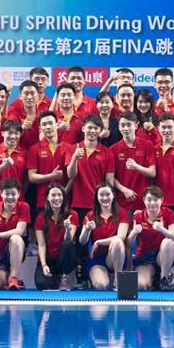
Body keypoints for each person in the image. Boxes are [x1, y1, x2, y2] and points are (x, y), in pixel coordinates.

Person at [66, 115, 115, 288]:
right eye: (90, 127)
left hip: (100, 206)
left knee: (100, 242)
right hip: (79, 204)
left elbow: (109, 181)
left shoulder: (107, 153)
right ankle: (81, 279)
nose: (92, 131)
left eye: (96, 128)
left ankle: (102, 275)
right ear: (83, 129)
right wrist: (74, 158)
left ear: (100, 131)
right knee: (81, 244)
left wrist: (108, 204)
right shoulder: (73, 149)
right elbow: (70, 175)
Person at [126, 186, 174, 291]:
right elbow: (129, 244)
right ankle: (154, 278)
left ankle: (164, 278)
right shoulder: (137, 217)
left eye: (156, 199)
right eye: (149, 200)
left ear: (161, 200)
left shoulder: (169, 213)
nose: (152, 203)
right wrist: (134, 233)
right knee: (141, 285)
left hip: (163, 255)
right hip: (145, 257)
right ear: (144, 200)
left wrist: (163, 230)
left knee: (168, 242)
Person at [80, 182, 129, 291]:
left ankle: (117, 280)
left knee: (117, 241)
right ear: (97, 197)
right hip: (97, 258)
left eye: (108, 194)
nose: (105, 198)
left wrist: (98, 242)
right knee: (101, 286)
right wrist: (87, 229)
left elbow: (121, 236)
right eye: (101, 195)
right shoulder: (90, 215)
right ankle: (94, 278)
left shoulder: (122, 213)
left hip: (115, 255)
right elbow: (82, 241)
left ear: (113, 195)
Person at [34, 183, 78, 291]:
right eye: (53, 195)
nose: (57, 198)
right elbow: (41, 244)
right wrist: (44, 265)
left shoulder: (72, 215)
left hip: (63, 259)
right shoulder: (40, 218)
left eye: (59, 195)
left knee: (68, 245)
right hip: (49, 259)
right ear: (47, 197)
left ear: (63, 197)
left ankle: (65, 277)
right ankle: (55, 279)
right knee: (41, 284)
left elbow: (68, 240)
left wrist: (68, 229)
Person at [111, 111, 156, 212]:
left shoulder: (147, 145)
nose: (126, 128)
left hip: (145, 202)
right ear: (119, 127)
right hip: (123, 202)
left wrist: (136, 166)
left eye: (129, 125)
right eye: (123, 125)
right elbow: (110, 177)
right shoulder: (113, 149)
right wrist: (124, 190)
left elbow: (152, 173)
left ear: (136, 126)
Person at [27, 111, 72, 208]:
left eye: (50, 123)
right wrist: (51, 176)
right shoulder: (34, 149)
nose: (48, 127)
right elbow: (31, 177)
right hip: (43, 202)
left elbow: (73, 176)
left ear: (57, 124)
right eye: (44, 124)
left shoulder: (68, 148)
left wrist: (64, 193)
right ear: (40, 128)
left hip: (65, 202)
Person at [0, 119, 27, 204]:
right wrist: (2, 167)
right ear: (2, 133)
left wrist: (18, 193)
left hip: (18, 201)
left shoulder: (25, 153)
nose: (13, 136)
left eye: (16, 133)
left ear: (20, 134)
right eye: (9, 133)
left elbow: (26, 179)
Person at [8, 80, 41, 151]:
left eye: (32, 93)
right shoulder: (14, 113)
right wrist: (22, 127)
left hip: (38, 154)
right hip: (19, 154)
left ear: (38, 96)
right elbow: (10, 132)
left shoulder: (42, 116)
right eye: (26, 93)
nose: (29, 97)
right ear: (20, 96)